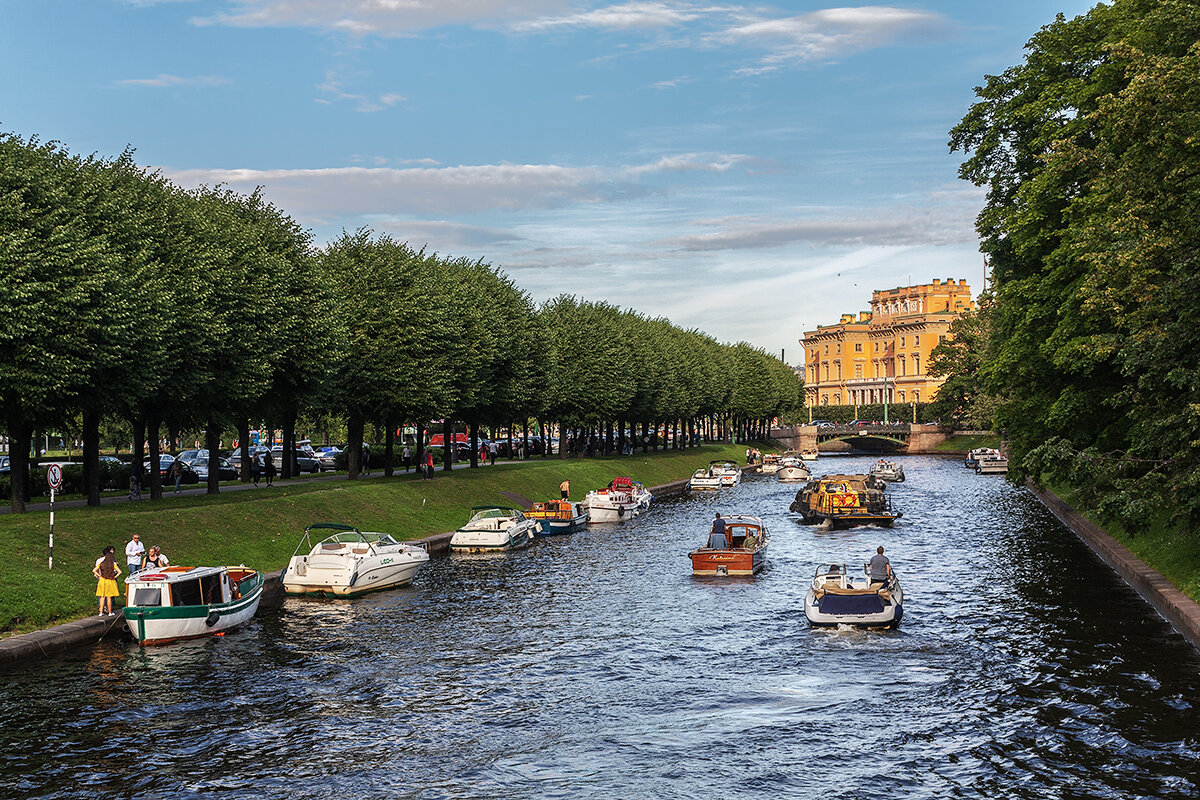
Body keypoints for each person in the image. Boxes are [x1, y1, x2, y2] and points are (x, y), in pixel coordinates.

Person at [93, 546, 121, 616]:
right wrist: (114, 577)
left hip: (102, 580)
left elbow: (94, 570)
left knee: (102, 597)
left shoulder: (101, 563)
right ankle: (110, 612)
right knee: (109, 597)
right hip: (110, 580)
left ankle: (100, 612)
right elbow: (120, 572)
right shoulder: (113, 564)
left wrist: (99, 576)